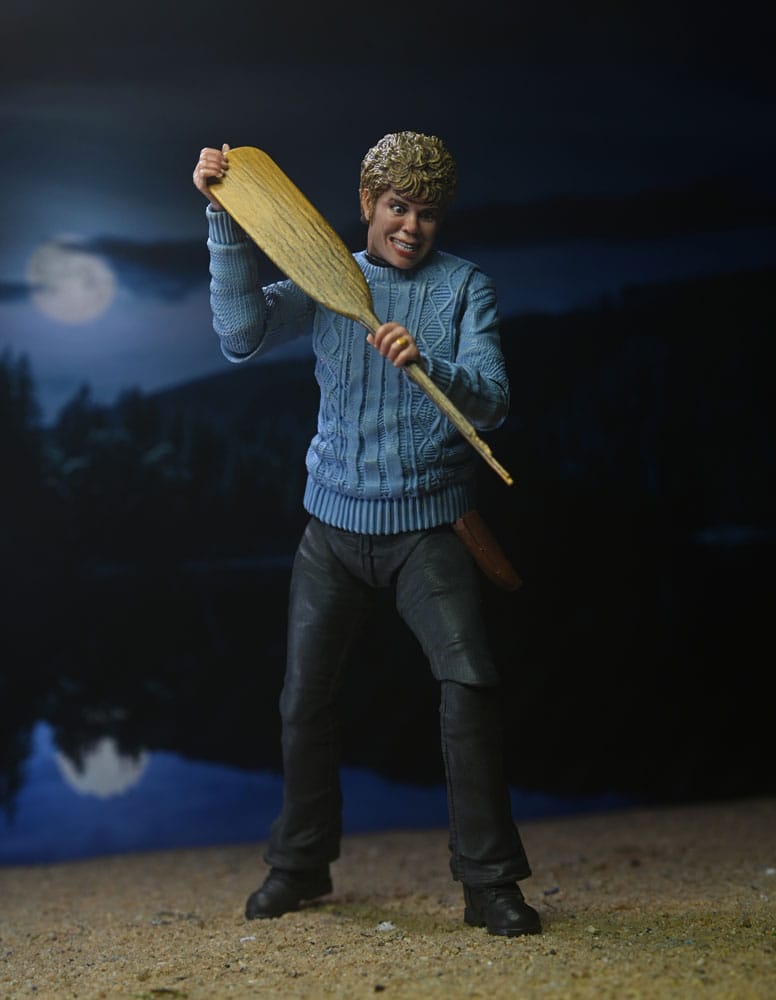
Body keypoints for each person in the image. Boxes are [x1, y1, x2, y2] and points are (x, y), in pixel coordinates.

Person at [192, 131, 541, 937]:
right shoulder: (328, 278)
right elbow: (240, 334)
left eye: (427, 213)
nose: (411, 226)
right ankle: (300, 862)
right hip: (334, 529)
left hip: (429, 529)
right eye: (396, 206)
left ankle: (489, 881)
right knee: (304, 698)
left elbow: (492, 402)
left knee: (470, 682)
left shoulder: (465, 289)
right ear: (367, 204)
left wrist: (432, 362)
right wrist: (224, 219)